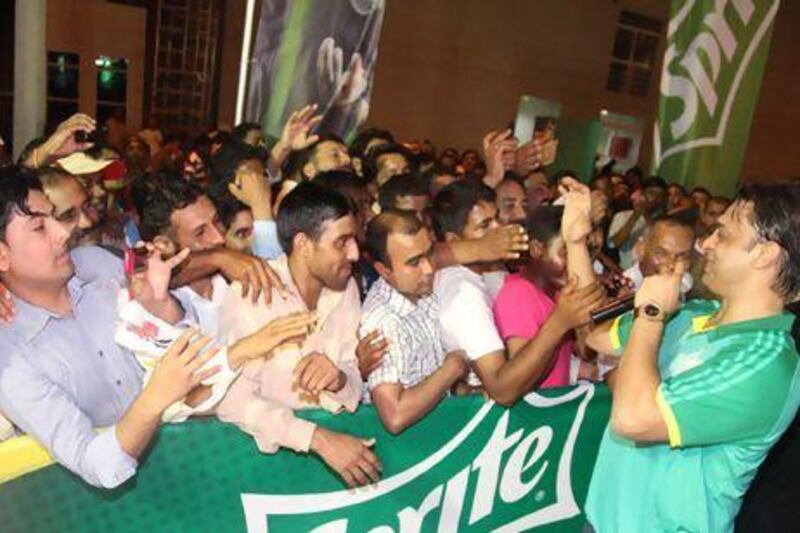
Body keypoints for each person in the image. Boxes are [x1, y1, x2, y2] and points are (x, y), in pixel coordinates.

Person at [584, 182, 800, 532]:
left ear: (766, 254)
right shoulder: (692, 313)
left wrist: (651, 315)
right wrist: (578, 243)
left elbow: (634, 419)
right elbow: (594, 336)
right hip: (601, 522)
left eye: (723, 235)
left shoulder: (766, 363)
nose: (705, 243)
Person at [0, 167, 216, 488]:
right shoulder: (11, 359)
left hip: (191, 468)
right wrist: (157, 395)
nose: (62, 232)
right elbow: (98, 466)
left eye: (55, 218)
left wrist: (163, 308)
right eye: (39, 228)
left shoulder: (99, 264)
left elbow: (187, 344)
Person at [214, 182, 382, 488]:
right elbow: (229, 399)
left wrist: (340, 378)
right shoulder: (254, 293)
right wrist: (316, 438)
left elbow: (353, 374)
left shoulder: (345, 289)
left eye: (354, 240)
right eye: (341, 242)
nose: (355, 254)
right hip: (264, 476)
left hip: (333, 465)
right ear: (304, 244)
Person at [431, 180, 604, 404]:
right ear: (455, 242)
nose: (499, 231)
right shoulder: (464, 293)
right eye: (485, 225)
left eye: (496, 220)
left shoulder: (488, 278)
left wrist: (577, 241)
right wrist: (559, 323)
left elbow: (588, 345)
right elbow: (503, 390)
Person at [361, 210, 468, 434]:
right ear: (383, 270)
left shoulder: (421, 291)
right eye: (414, 262)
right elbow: (395, 415)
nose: (428, 269)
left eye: (429, 254)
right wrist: (453, 367)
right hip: (411, 458)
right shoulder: (383, 322)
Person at [607, 176, 668, 269]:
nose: (655, 199)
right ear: (643, 194)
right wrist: (635, 216)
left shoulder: (663, 223)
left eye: (660, 196)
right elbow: (615, 243)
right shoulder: (622, 216)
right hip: (624, 270)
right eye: (651, 194)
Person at [626, 215, 695, 295]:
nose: (671, 265)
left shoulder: (685, 282)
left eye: (681, 256)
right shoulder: (625, 294)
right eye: (661, 254)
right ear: (641, 249)